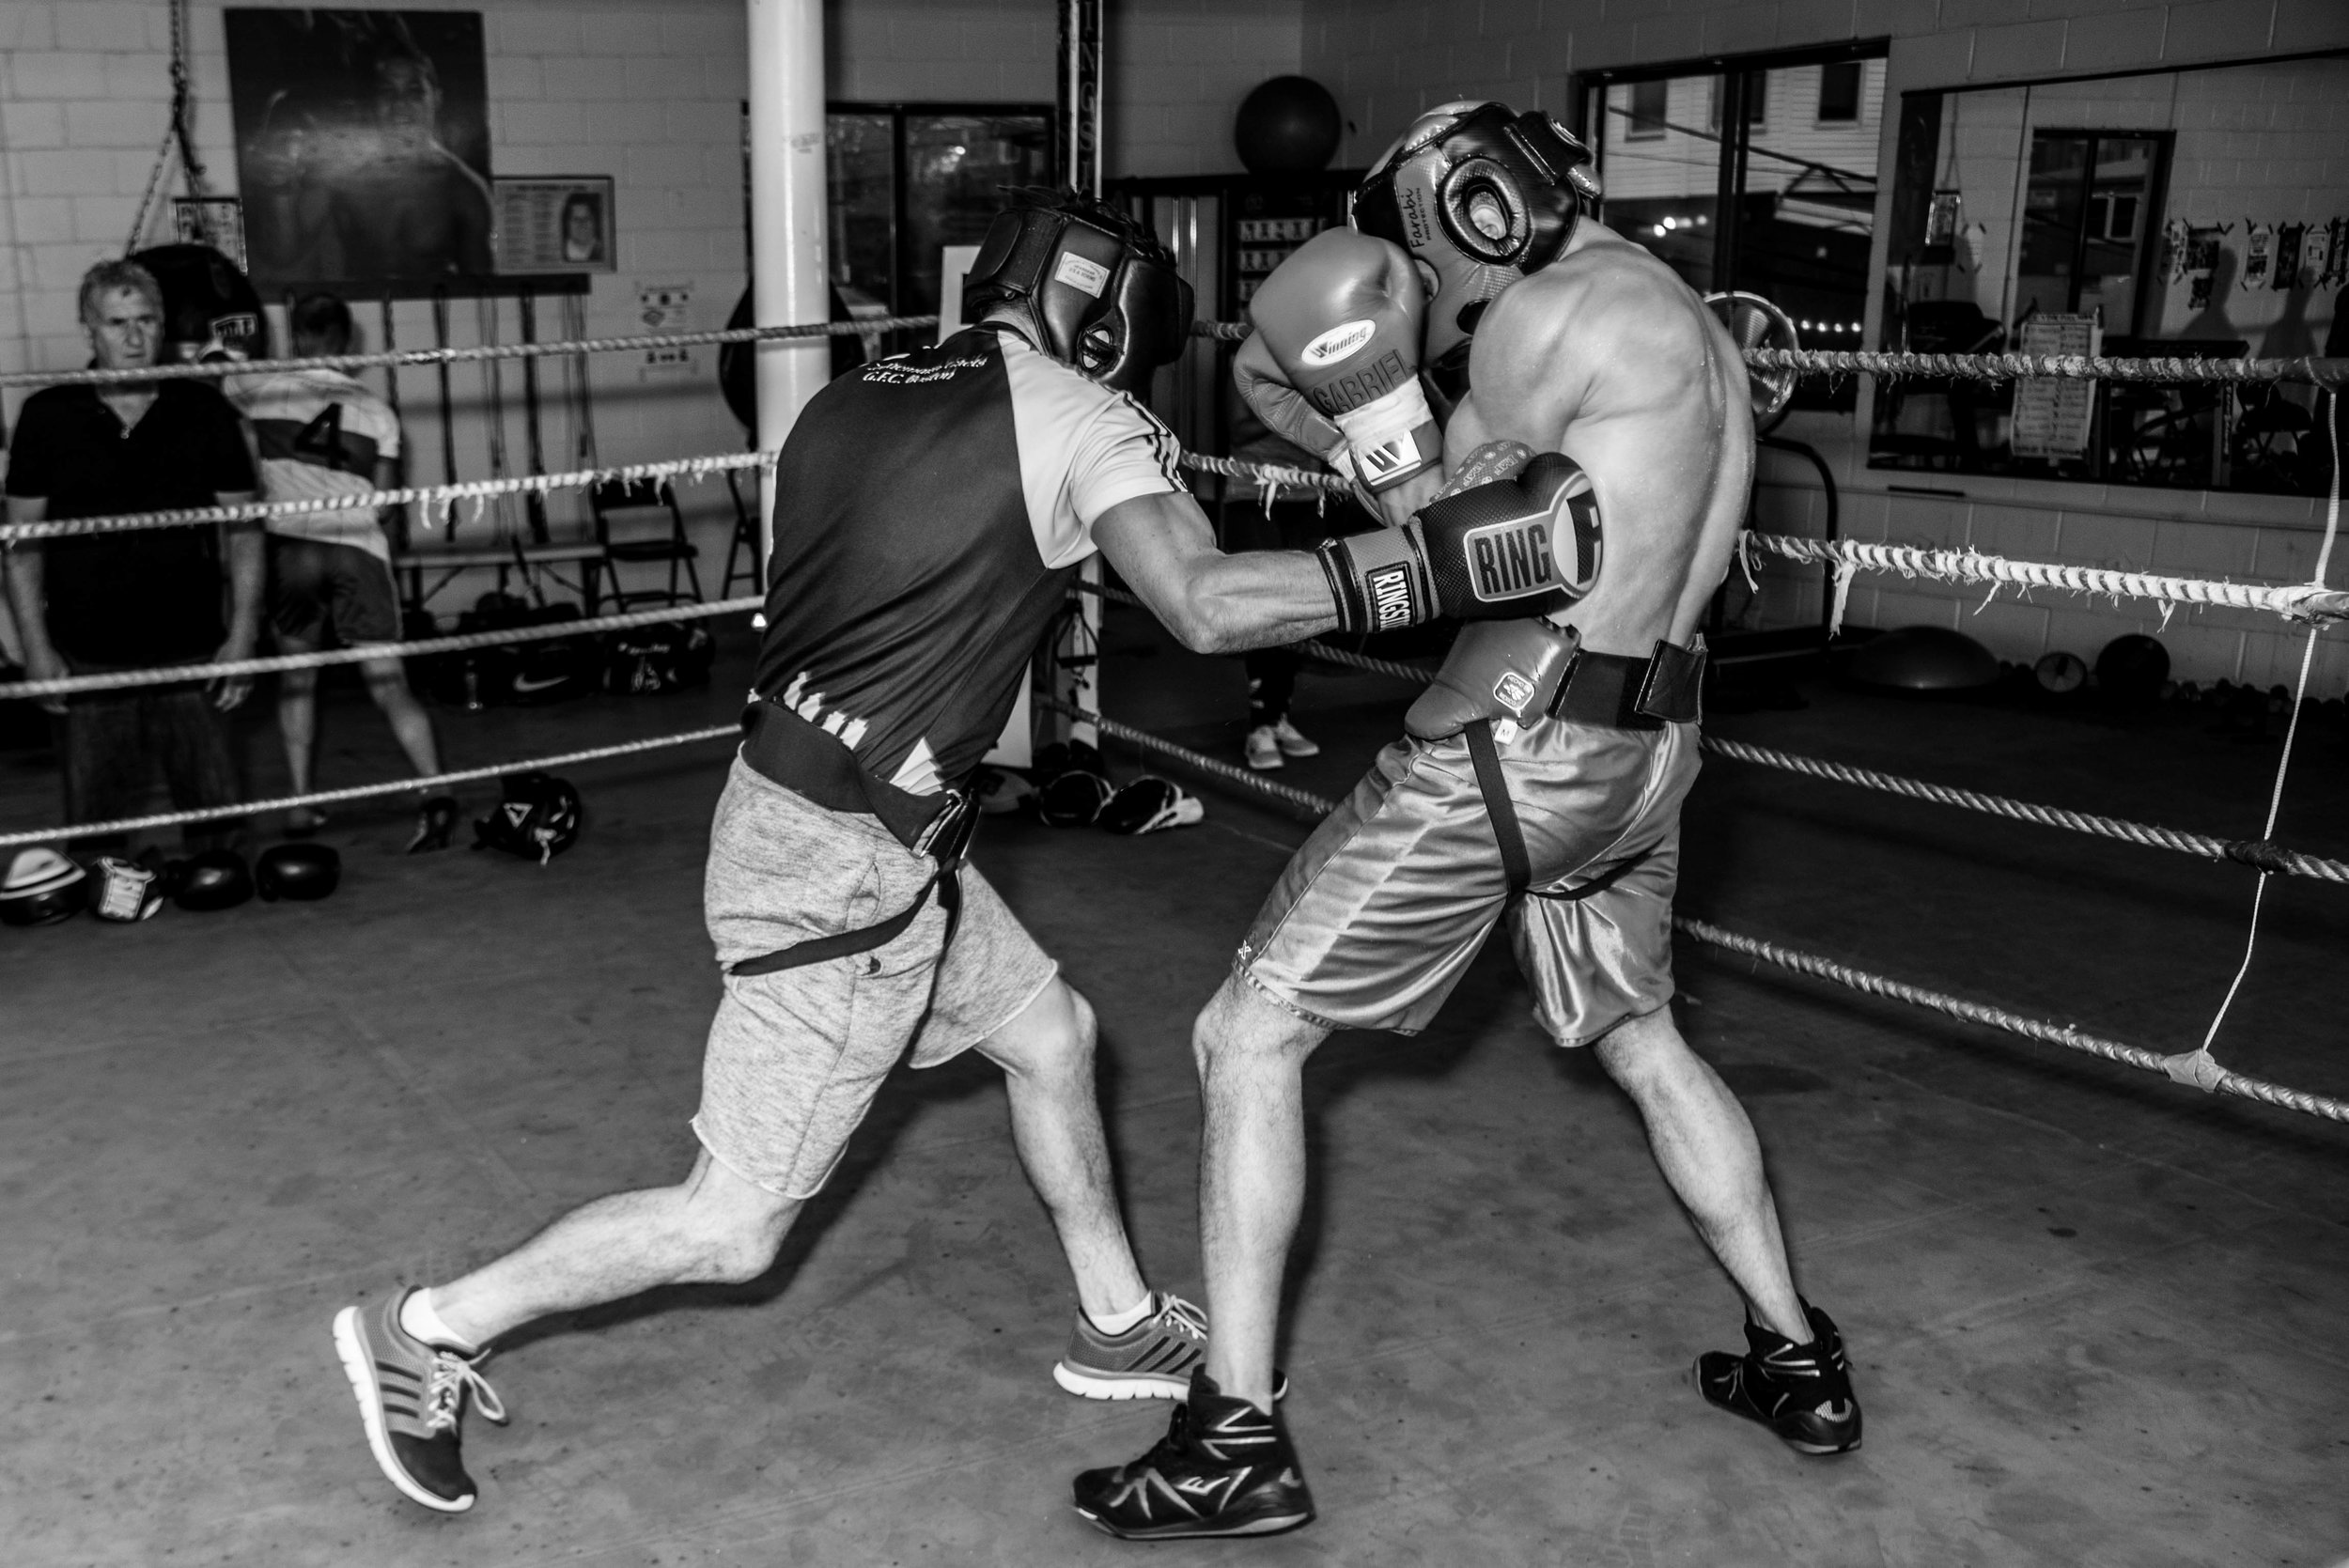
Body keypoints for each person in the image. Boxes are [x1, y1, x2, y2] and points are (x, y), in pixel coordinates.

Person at [328, 191, 1359, 1516]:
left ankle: (1114, 1321)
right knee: (732, 1224)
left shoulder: (852, 392)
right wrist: (1438, 562)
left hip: (840, 815)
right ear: (1110, 324)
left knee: (1052, 1035)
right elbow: (1211, 607)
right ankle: (433, 1326)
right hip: (849, 876)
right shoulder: (1076, 415)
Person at [1074, 102, 1862, 1540]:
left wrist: (1341, 392)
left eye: (1424, 226)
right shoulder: (1692, 327)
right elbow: (1508, 507)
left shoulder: (1540, 320)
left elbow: (1444, 541)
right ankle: (1796, 1359)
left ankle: (1232, 1439)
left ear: (1476, 201)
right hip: (1656, 748)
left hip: (1521, 738)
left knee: (1244, 1033)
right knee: (1641, 1035)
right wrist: (1332, 394)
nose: (1428, 259)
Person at [2, 259, 261, 851]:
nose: (134, 337)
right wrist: (36, 651)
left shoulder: (204, 410)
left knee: (218, 840)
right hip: (89, 651)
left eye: (146, 320)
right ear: (89, 329)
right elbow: (21, 545)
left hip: (192, 644)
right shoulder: (48, 415)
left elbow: (246, 532)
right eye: (117, 323)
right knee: (95, 840)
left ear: (164, 324)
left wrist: (243, 637)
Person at [226, 291, 453, 849]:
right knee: (390, 684)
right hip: (357, 548)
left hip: (292, 550)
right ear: (349, 343)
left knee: (298, 680)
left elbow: (220, 391)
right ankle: (436, 793)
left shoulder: (259, 395)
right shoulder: (376, 413)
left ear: (296, 336)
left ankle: (301, 806)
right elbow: (385, 500)